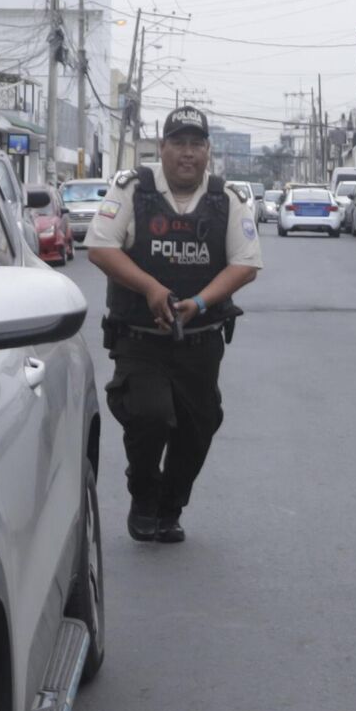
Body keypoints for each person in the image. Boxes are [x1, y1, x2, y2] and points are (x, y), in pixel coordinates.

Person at [86, 106, 262, 545]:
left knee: (198, 428)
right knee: (149, 415)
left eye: (196, 144)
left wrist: (199, 303)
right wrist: (150, 288)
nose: (187, 153)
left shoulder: (227, 199)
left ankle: (170, 508)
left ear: (208, 151)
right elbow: (100, 247)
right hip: (140, 339)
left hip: (199, 342)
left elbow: (245, 264)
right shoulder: (132, 190)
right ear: (161, 148)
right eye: (178, 143)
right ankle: (144, 497)